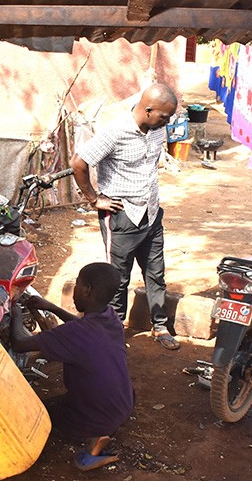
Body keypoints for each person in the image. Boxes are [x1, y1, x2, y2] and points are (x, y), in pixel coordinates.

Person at [70, 83, 181, 350]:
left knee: (156, 274)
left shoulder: (156, 129)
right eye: (164, 116)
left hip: (151, 213)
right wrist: (94, 198)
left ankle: (160, 326)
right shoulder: (115, 132)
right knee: (117, 277)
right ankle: (115, 327)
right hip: (121, 216)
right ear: (148, 109)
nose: (167, 122)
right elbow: (78, 162)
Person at [9, 263, 135, 471]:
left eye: (77, 284)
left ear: (87, 290)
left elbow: (19, 343)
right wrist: (51, 307)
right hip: (123, 402)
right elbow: (80, 326)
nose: (75, 289)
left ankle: (92, 450)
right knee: (61, 402)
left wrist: (15, 311)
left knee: (38, 413)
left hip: (99, 415)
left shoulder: (76, 334)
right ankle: (103, 431)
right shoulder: (111, 317)